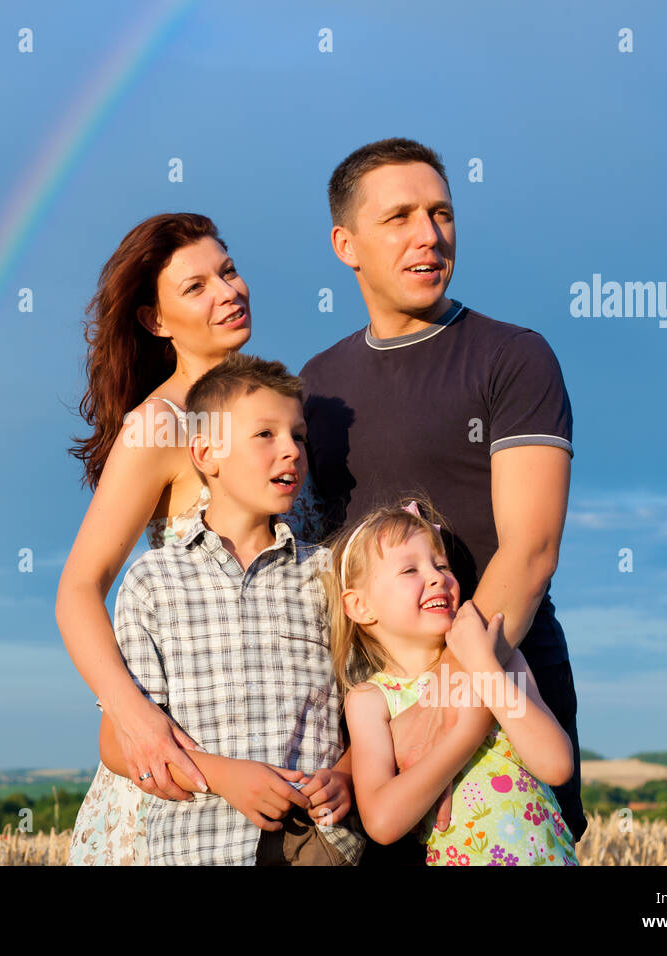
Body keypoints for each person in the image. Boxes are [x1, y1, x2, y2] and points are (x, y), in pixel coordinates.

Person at [289, 137, 587, 864]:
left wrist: (452, 696)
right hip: (381, 723)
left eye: (442, 213)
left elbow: (533, 545)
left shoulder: (514, 356)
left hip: (507, 680)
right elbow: (327, 569)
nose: (430, 235)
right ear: (346, 244)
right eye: (400, 217)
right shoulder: (317, 387)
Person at [96, 353, 363, 864]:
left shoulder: (329, 575)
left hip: (318, 845)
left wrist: (348, 775)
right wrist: (225, 776)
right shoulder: (153, 584)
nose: (291, 450)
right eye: (265, 435)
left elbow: (371, 707)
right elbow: (120, 742)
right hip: (199, 843)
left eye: (299, 436)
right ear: (206, 452)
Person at [60, 213, 252, 865]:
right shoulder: (158, 426)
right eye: (196, 286)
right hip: (189, 754)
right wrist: (136, 722)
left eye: (227, 272)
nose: (228, 292)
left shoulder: (278, 411)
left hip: (272, 738)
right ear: (154, 321)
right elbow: (79, 588)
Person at [325, 499, 578, 865]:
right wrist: (464, 732)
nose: (436, 577)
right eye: (409, 570)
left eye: (441, 565)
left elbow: (556, 764)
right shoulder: (371, 700)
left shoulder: (500, 658)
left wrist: (482, 664)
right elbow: (382, 821)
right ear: (360, 606)